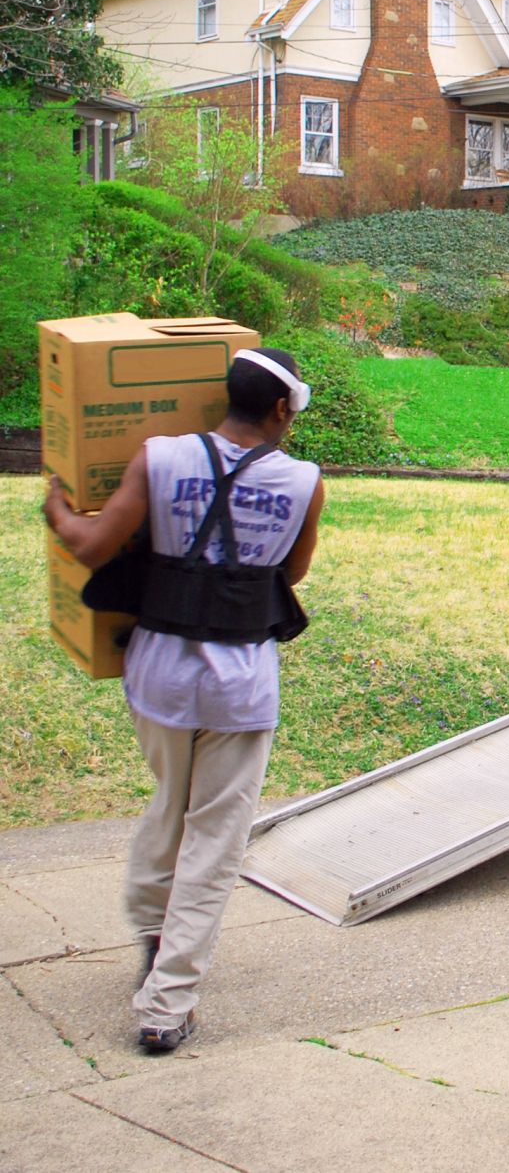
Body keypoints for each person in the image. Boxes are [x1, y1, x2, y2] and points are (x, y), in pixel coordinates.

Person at [44, 346, 325, 1054]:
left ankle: (152, 933)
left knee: (169, 806)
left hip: (159, 671)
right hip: (239, 682)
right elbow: (293, 570)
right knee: (216, 839)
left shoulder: (160, 456)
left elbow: (91, 545)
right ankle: (167, 1004)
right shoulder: (303, 481)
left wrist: (55, 506)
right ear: (281, 409)